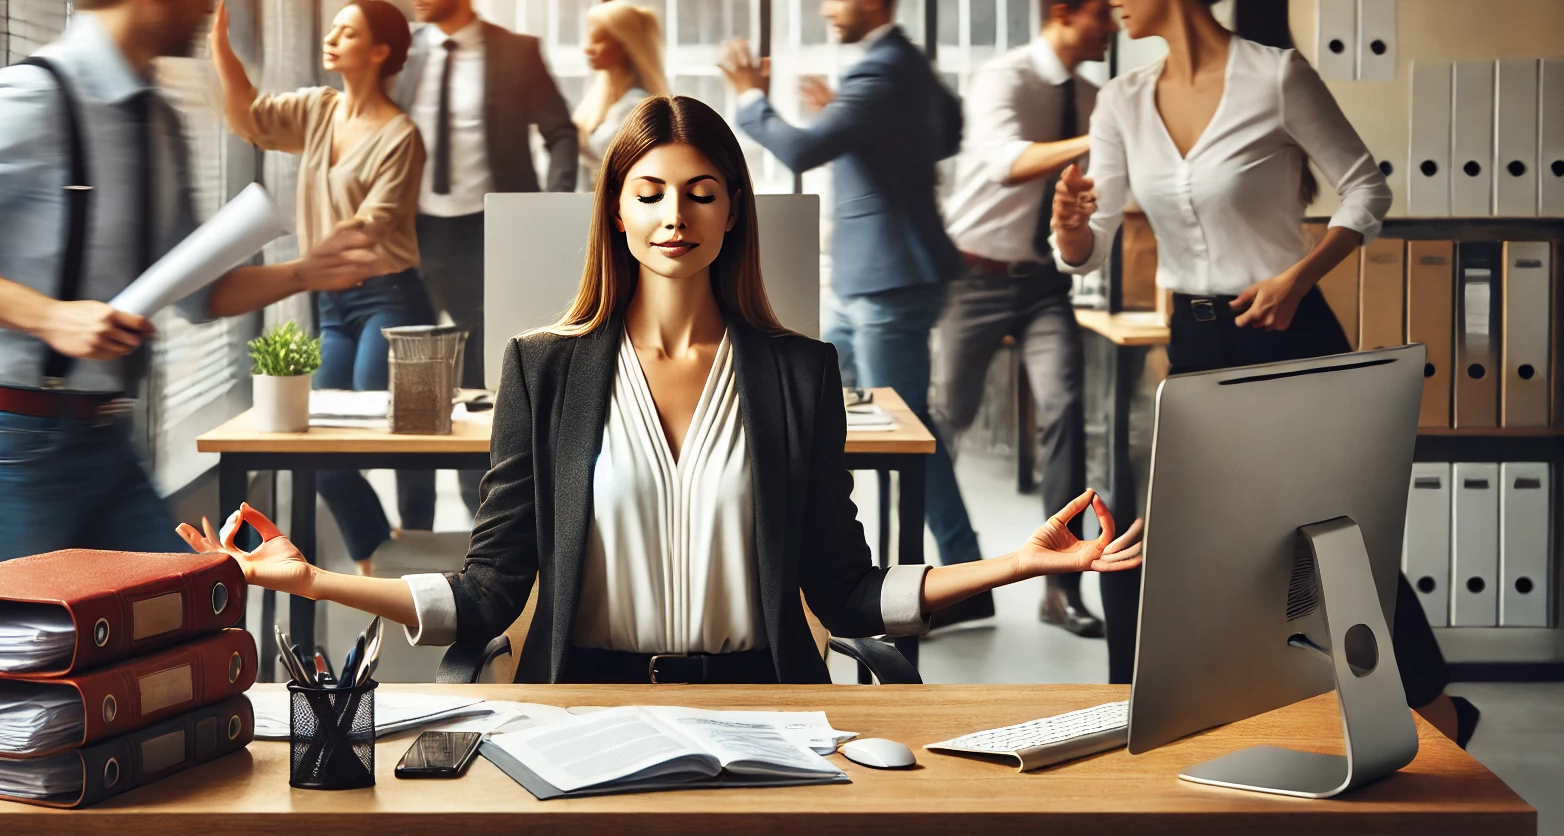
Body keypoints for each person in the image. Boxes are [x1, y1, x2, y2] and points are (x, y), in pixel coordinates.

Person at [178, 95, 1142, 683]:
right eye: (650, 192)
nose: (675, 215)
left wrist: (1016, 566)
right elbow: (487, 594)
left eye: (700, 192)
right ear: (618, 214)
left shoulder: (799, 372)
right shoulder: (541, 369)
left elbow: (847, 593)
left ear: (732, 215)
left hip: (764, 707)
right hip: (591, 700)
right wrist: (312, 583)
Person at [1050, 0, 1475, 745]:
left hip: (1290, 333)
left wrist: (1298, 275)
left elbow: (1365, 189)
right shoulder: (1121, 101)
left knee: (1335, 539)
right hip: (1195, 342)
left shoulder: (1273, 76)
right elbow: (1086, 249)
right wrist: (1068, 223)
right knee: (1143, 541)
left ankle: (1435, 707)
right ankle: (1143, 725)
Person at [0, 0, 379, 573]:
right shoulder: (23, 100)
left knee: (181, 623)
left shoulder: (157, 125)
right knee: (44, 667)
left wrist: (304, 272)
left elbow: (199, 293)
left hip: (101, 439)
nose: (208, 1)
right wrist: (50, 318)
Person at [718, 0, 990, 621]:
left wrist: (750, 99)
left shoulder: (880, 71)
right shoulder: (904, 68)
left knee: (908, 431)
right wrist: (866, 123)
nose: (827, 10)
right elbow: (950, 132)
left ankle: (964, 576)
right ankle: (816, 562)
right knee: (815, 406)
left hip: (889, 279)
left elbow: (802, 149)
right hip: (875, 276)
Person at [210, 0, 432, 573]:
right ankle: (379, 555)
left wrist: (295, 264)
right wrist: (220, 47)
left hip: (389, 296)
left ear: (380, 51)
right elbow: (248, 119)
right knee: (322, 451)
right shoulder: (315, 110)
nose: (331, 37)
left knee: (393, 433)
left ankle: (430, 553)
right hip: (331, 304)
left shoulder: (401, 135)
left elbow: (370, 227)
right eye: (331, 26)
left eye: (348, 32)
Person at [935, 0, 1119, 639]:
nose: (1114, 24)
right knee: (945, 418)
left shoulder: (1100, 98)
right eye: (1103, 12)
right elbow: (1005, 160)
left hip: (1044, 284)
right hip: (972, 277)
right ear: (1064, 13)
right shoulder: (1004, 78)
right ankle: (928, 580)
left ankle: (1060, 587)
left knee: (1067, 408)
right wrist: (1107, 136)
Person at [392, 0, 579, 526]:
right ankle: (412, 530)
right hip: (414, 233)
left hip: (488, 232)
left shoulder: (515, 51)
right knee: (411, 385)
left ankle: (488, 535)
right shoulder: (404, 55)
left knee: (482, 383)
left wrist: (547, 212)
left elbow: (560, 132)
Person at [573, 0, 669, 188]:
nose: (588, 48)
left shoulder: (638, 107)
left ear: (625, 44)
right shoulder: (600, 102)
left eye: (598, 39)